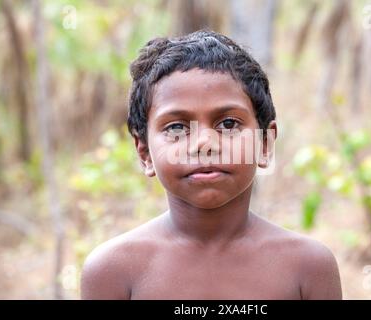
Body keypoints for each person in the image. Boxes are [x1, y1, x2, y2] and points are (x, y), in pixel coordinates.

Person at [80, 30, 342, 300]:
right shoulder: (112, 272)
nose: (204, 143)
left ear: (265, 144)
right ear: (145, 151)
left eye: (228, 124)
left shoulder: (308, 268)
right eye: (177, 127)